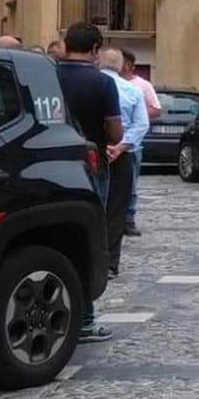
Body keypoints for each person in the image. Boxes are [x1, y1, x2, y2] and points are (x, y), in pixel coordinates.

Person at [57, 23, 123, 340]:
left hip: (51, 164)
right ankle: (84, 319)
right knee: (88, 240)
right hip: (90, 165)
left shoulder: (48, 76)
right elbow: (115, 133)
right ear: (96, 50)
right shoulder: (102, 83)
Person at [99, 48, 148, 277]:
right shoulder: (132, 90)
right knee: (116, 210)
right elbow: (141, 124)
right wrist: (121, 147)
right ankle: (110, 262)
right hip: (121, 154)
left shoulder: (93, 84)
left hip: (94, 150)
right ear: (121, 66)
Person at [121, 50, 161, 237]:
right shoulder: (110, 82)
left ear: (127, 65)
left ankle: (129, 219)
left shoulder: (142, 86)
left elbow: (155, 109)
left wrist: (137, 110)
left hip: (133, 143)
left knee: (131, 184)